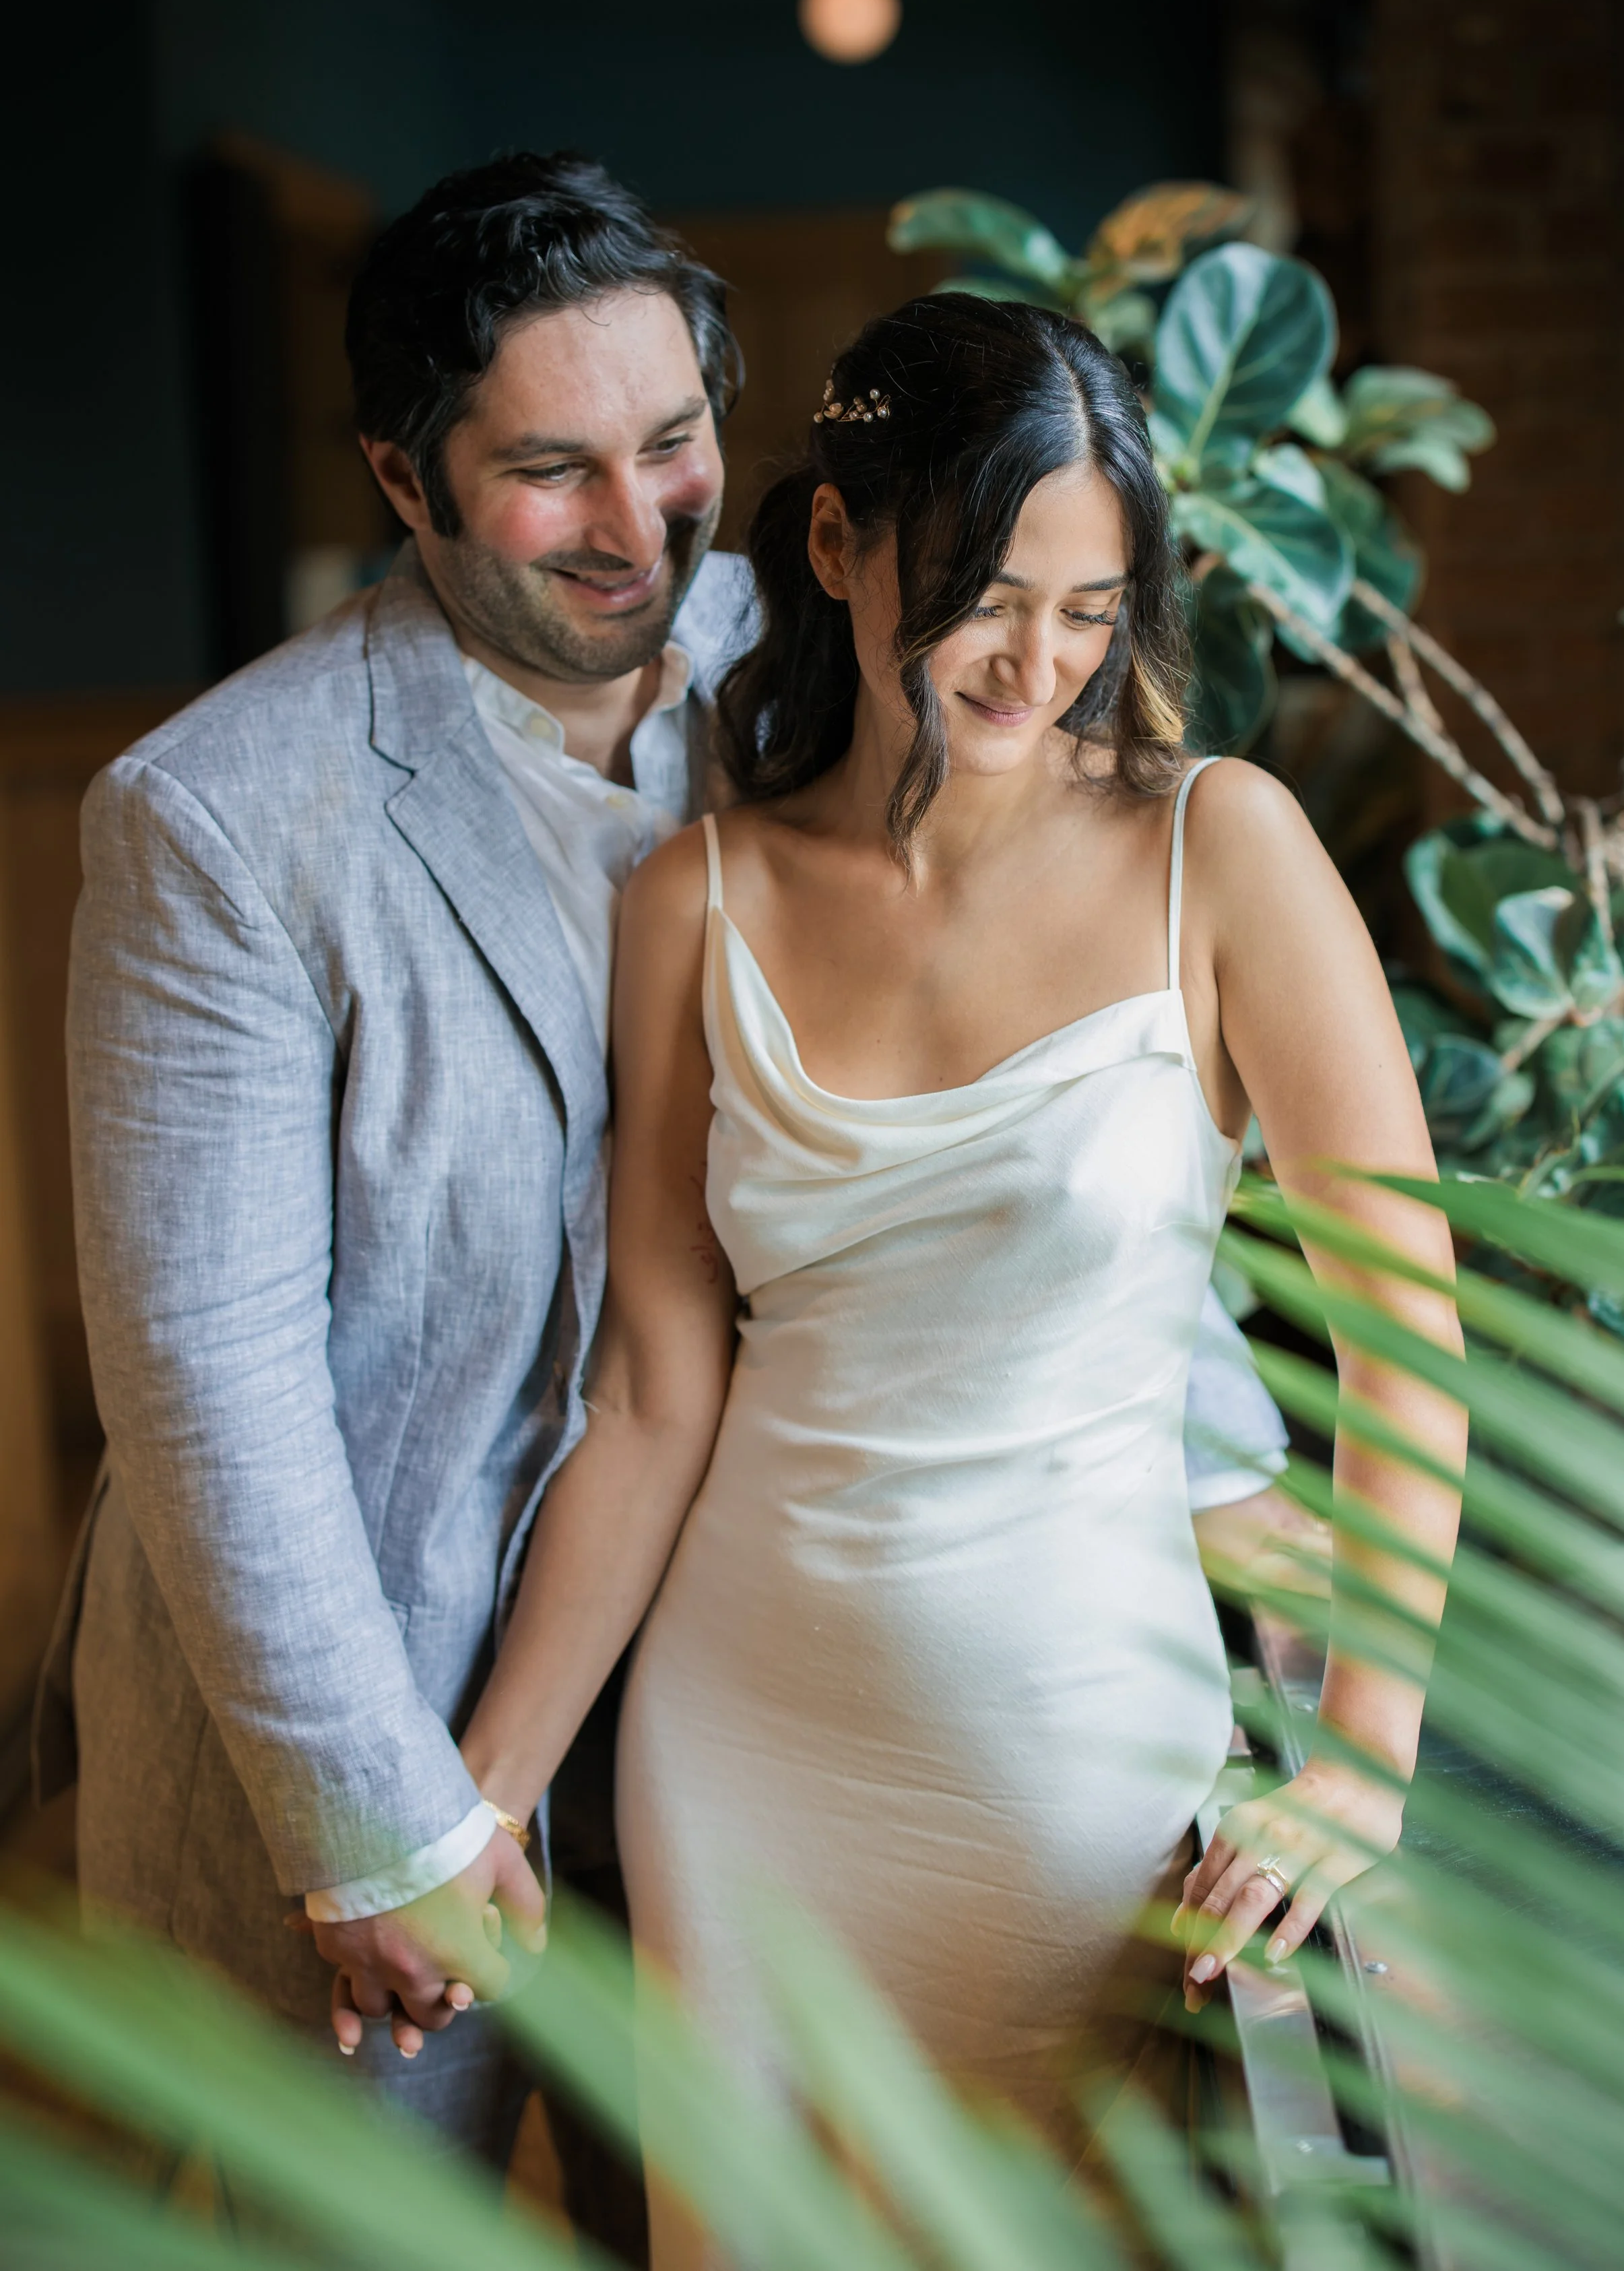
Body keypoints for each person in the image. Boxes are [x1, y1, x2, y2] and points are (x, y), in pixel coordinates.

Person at [37, 154, 1295, 2180]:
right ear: (404, 472)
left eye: (673, 440)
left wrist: (1246, 1510)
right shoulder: (212, 821)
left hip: (745, 1715)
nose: (637, 525)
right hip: (384, 1722)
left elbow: (1046, 1131)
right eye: (551, 469)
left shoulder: (847, 656)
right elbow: (208, 1375)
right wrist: (387, 1816)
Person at [454, 295, 1467, 2267]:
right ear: (834, 549)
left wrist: (1358, 1754)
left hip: (1080, 1753)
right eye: (989, 593)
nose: (1044, 657)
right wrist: (482, 1792)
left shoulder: (1219, 851)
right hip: (742, 1747)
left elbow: (1407, 1334)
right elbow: (660, 1394)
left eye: (1093, 604)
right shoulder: (696, 902)